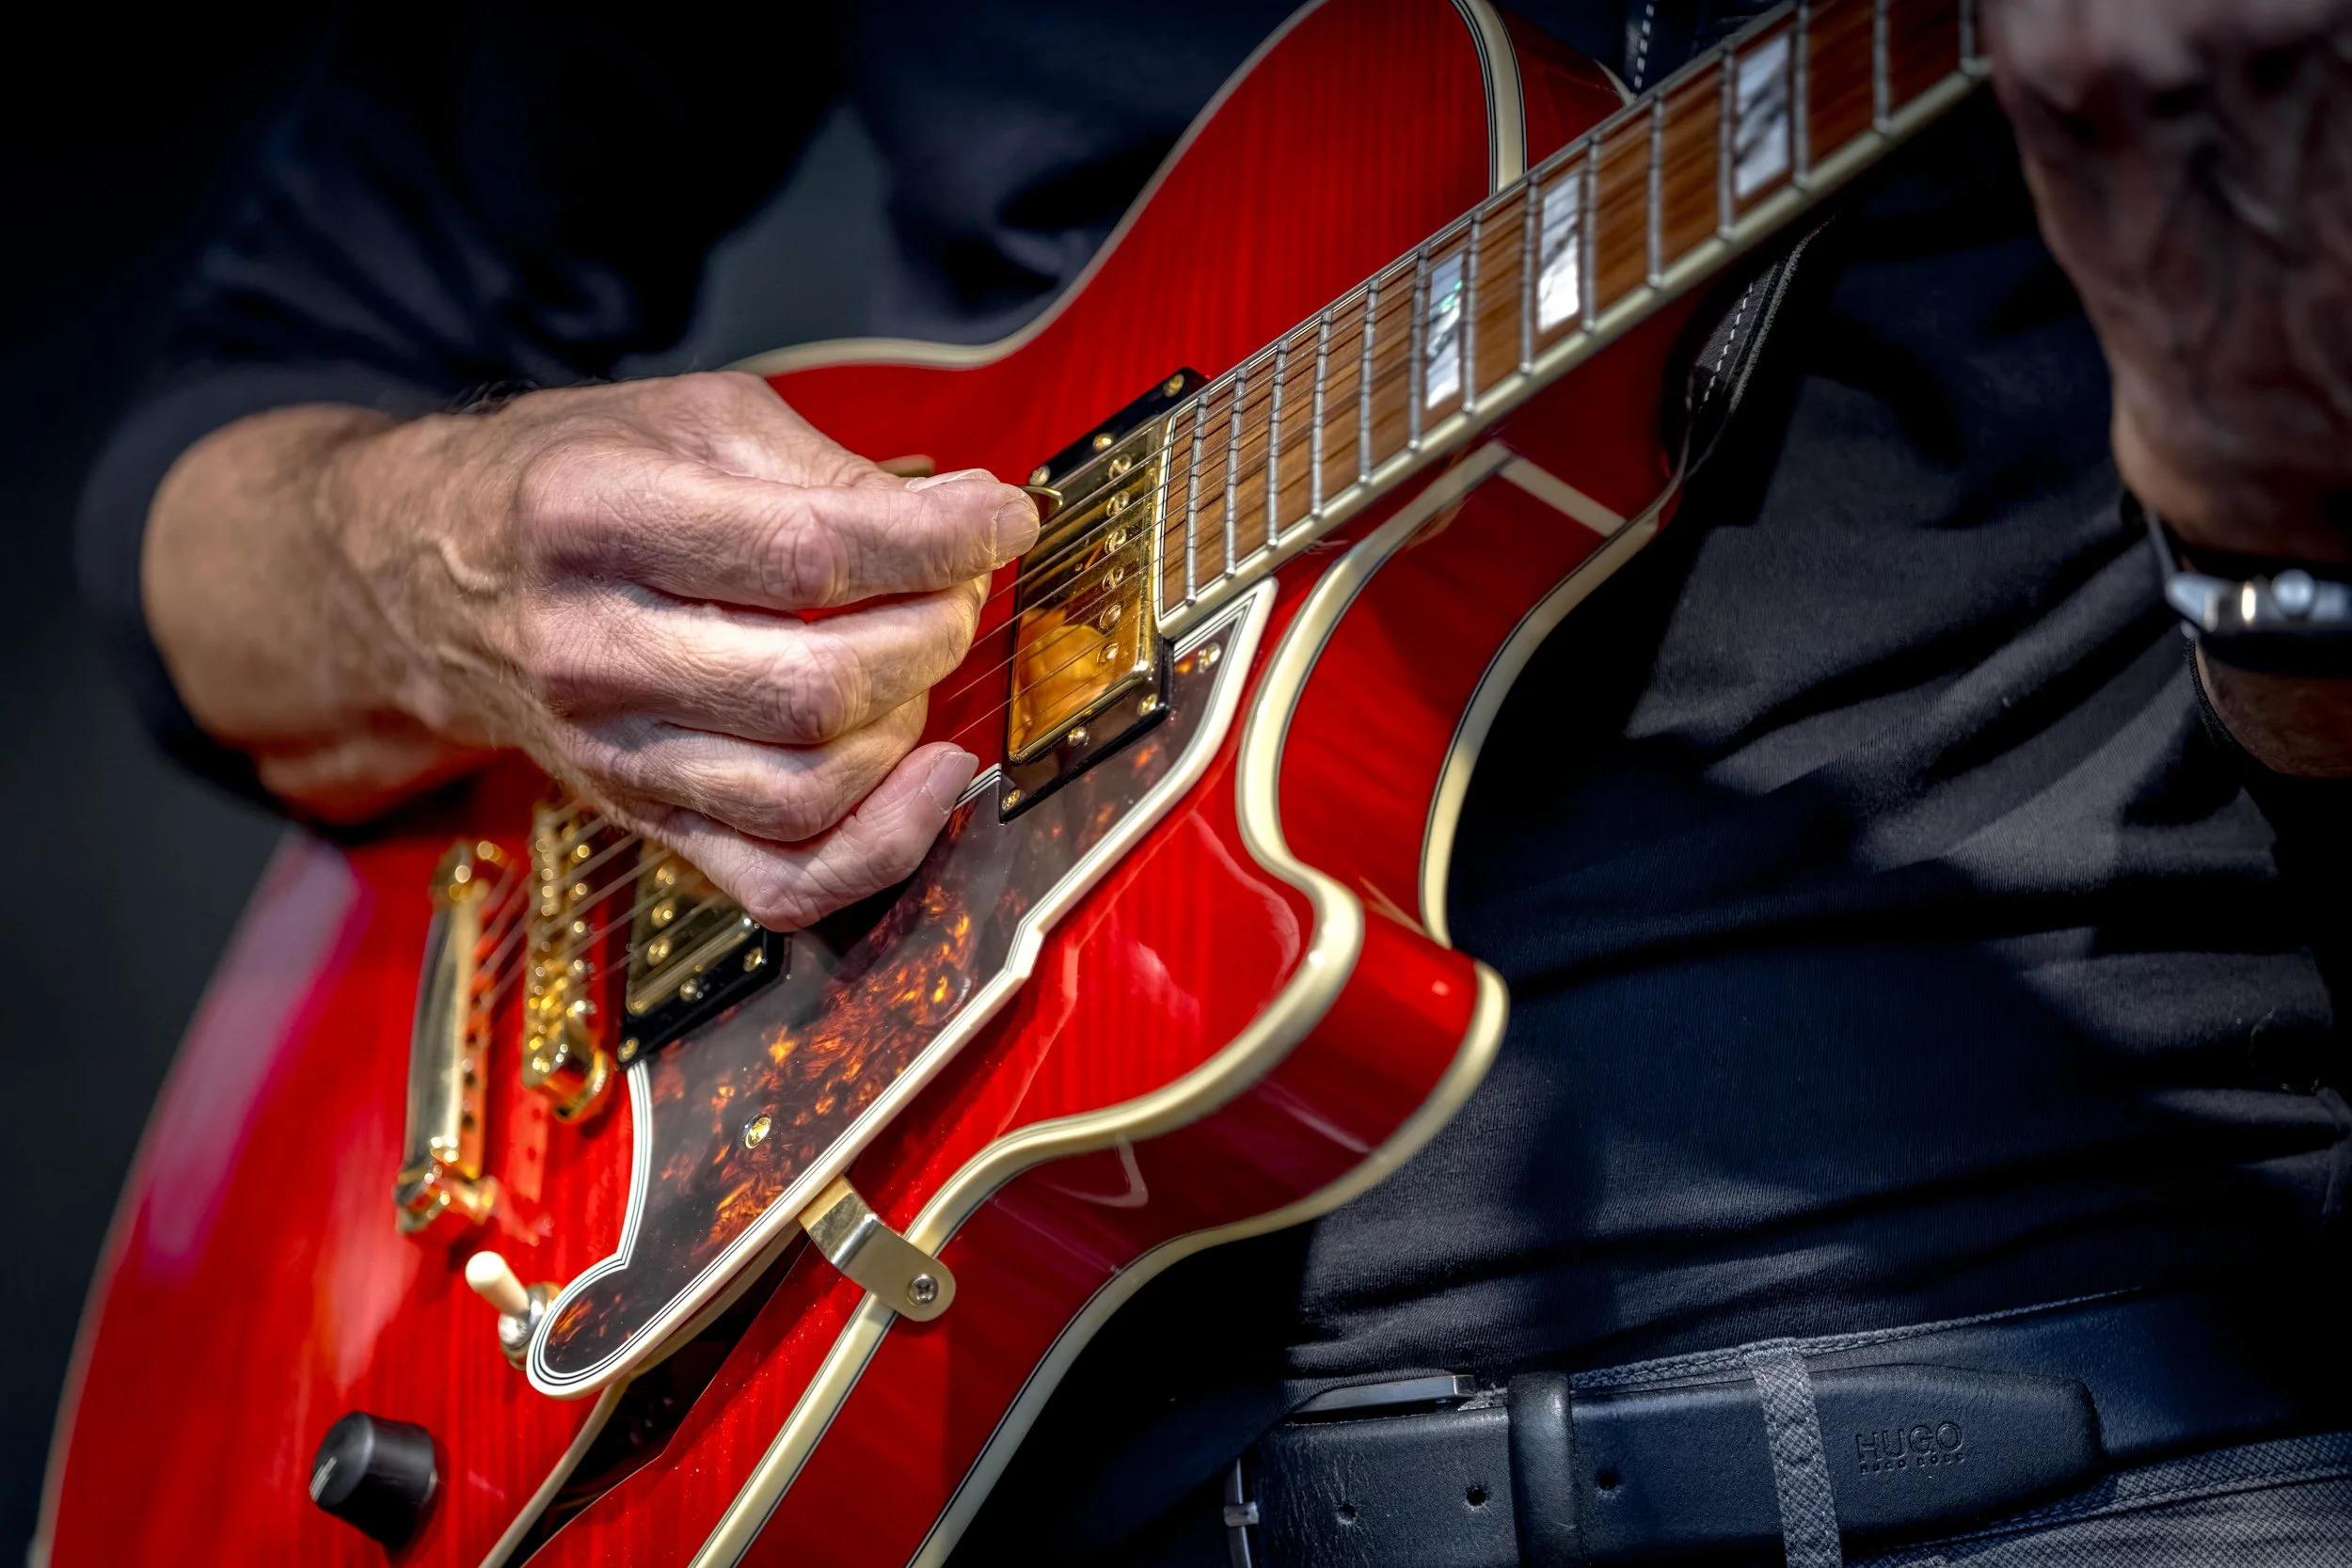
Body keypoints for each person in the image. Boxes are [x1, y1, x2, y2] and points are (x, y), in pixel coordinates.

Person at [75, 1, 2352, 1562]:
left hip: (2090, 1423)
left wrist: (2278, 498)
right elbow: (195, 492)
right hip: (1032, 1478)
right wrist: (436, 557)